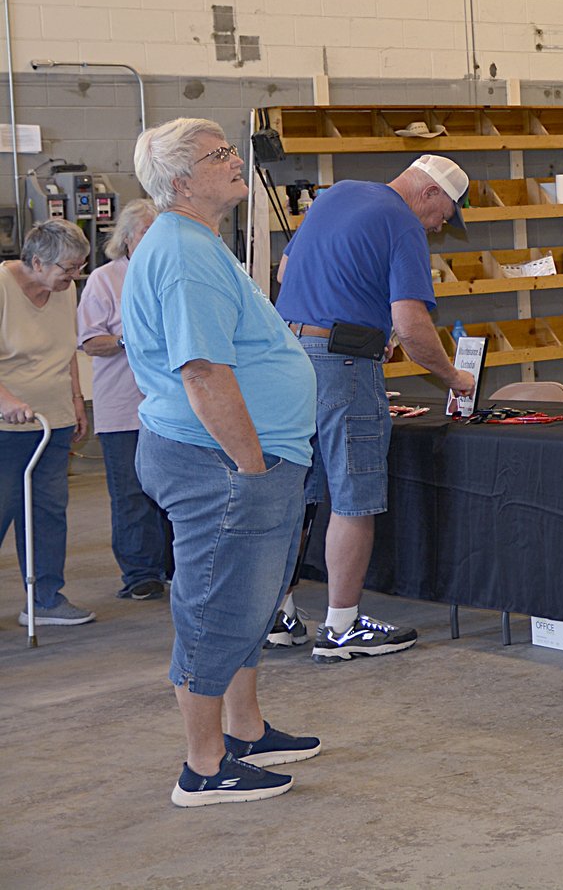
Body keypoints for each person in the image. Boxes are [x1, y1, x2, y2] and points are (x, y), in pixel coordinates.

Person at [125, 119, 321, 806]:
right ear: (181, 181)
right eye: (219, 155)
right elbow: (203, 372)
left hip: (235, 459)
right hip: (222, 463)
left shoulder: (195, 241)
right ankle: (204, 767)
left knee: (247, 602)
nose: (237, 160)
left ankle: (244, 730)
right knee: (216, 608)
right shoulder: (184, 252)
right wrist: (250, 466)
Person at [270, 154, 476, 661]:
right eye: (444, 216)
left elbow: (286, 270)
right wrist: (454, 377)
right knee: (353, 495)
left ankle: (277, 614)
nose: (438, 227)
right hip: (342, 366)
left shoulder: (337, 193)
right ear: (430, 193)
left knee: (296, 493)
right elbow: (411, 326)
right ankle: (341, 627)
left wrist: (361, 323)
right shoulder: (403, 222)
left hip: (288, 358)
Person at [78, 198, 174, 602]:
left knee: (172, 490)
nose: (154, 239)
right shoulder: (104, 279)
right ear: (127, 238)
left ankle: (174, 566)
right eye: (147, 232)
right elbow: (90, 342)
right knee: (131, 492)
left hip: (171, 405)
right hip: (122, 406)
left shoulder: (171, 271)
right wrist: (126, 341)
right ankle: (140, 573)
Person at [0, 218, 94, 627]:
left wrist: (75, 399)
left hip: (52, 421)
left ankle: (44, 599)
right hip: (6, 427)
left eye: (79, 267)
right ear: (37, 262)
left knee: (48, 512)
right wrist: (5, 400)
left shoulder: (64, 290)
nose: (75, 276)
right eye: (68, 268)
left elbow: (67, 348)